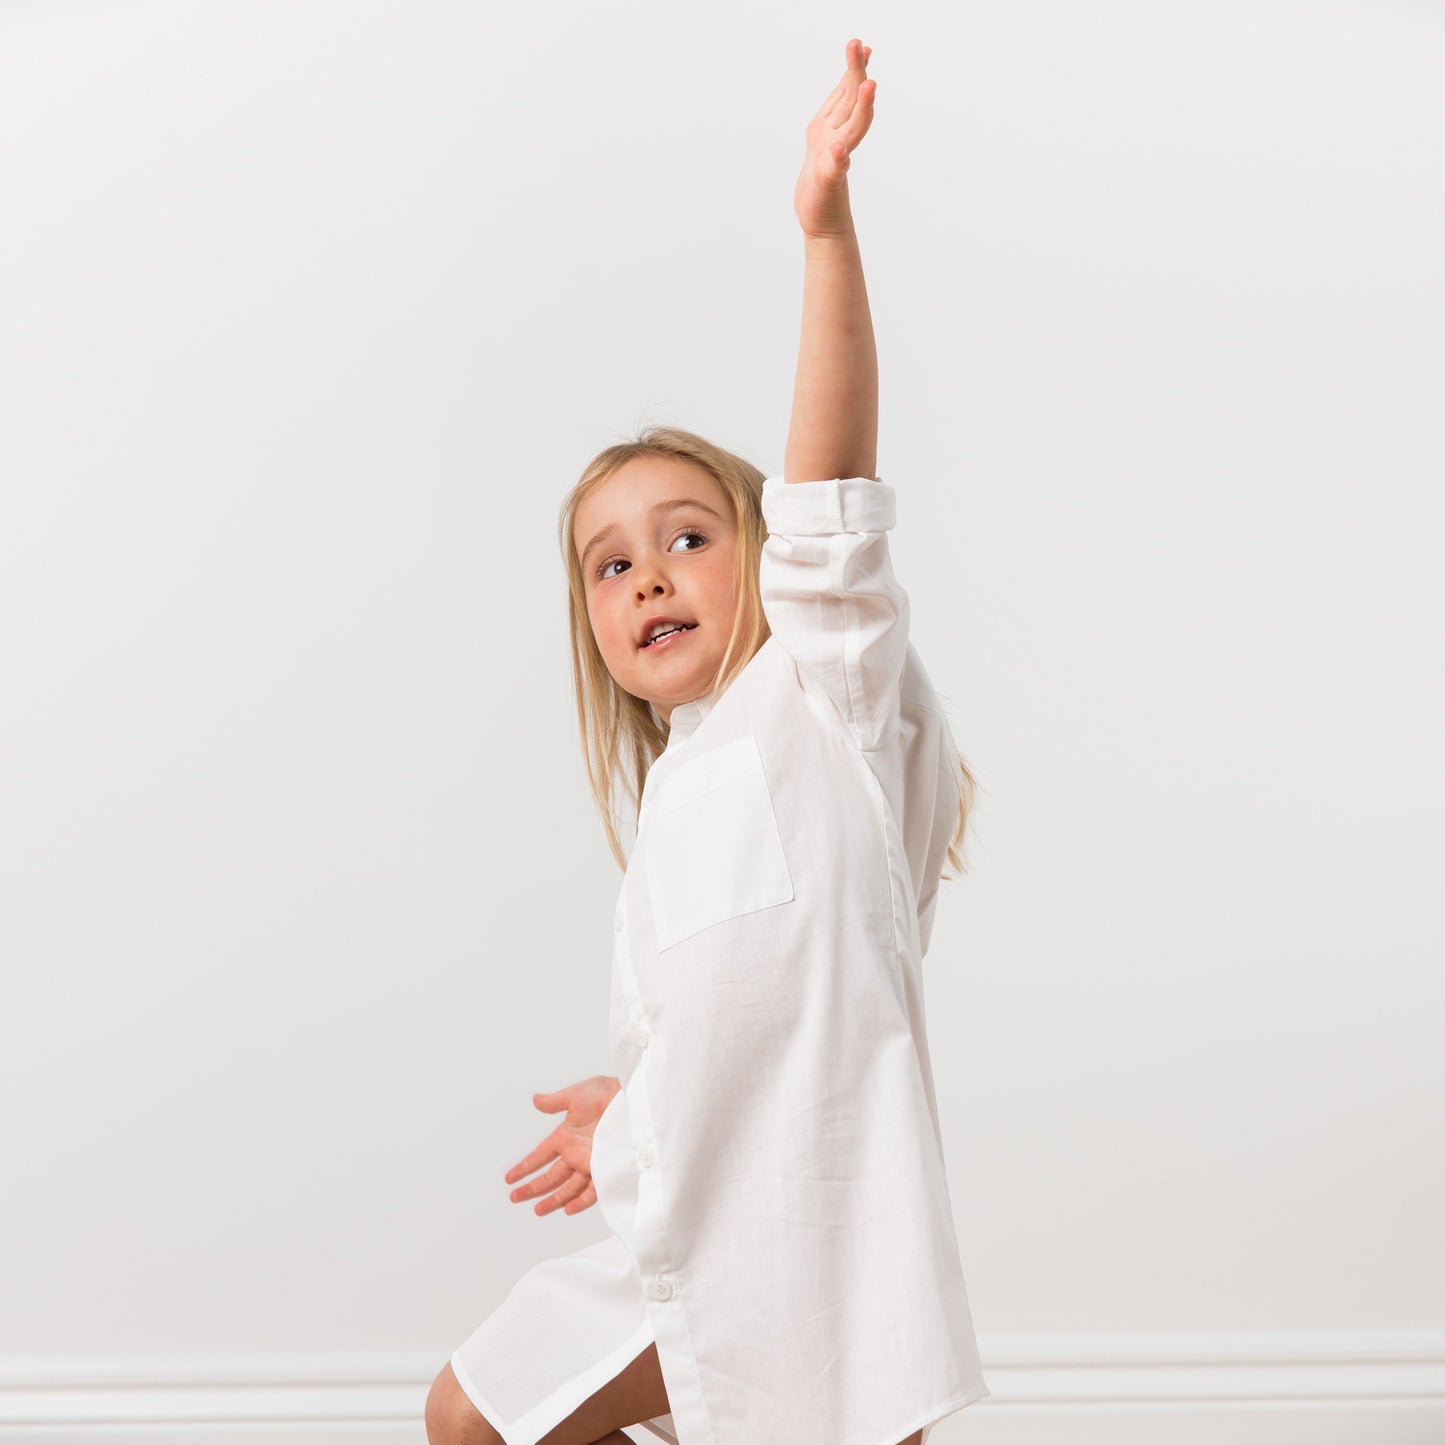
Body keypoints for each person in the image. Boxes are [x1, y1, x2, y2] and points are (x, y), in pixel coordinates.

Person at [426, 38, 990, 1445]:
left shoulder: (821, 694)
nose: (652, 576)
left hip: (815, 1242)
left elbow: (831, 481)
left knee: (481, 1418)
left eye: (689, 537)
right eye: (611, 568)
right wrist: (635, 1102)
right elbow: (737, 1009)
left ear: (767, 563)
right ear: (594, 633)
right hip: (694, 1216)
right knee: (470, 1412)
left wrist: (822, 230)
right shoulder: (679, 799)